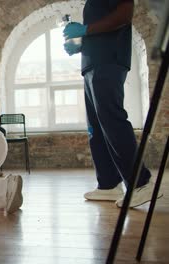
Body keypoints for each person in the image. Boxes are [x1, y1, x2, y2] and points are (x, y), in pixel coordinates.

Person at [63, 0, 162, 207]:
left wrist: (86, 29)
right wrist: (80, 45)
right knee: (96, 128)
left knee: (111, 120)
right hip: (93, 63)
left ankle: (140, 183)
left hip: (108, 61)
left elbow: (125, 14)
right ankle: (108, 185)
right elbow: (100, 31)